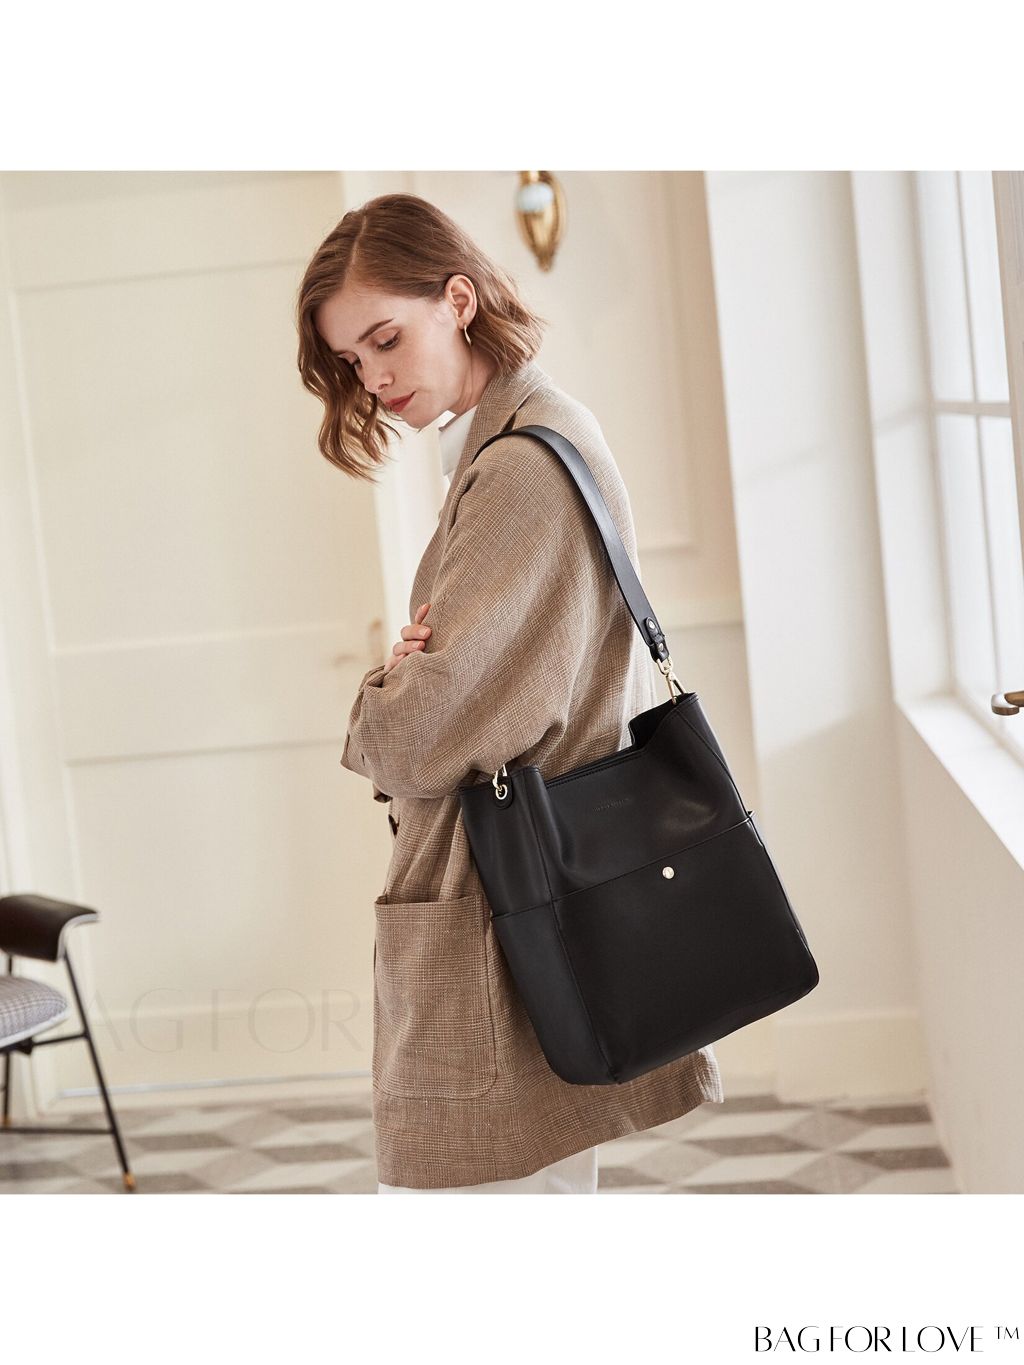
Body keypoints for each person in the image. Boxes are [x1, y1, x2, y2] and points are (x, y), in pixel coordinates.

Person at [295, 193, 724, 1193]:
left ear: (458, 299)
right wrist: (419, 677)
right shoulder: (522, 438)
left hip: (498, 903)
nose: (374, 378)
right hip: (517, 894)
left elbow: (421, 732)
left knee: (481, 1198)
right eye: (352, 361)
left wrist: (383, 690)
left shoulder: (523, 467)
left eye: (385, 339)